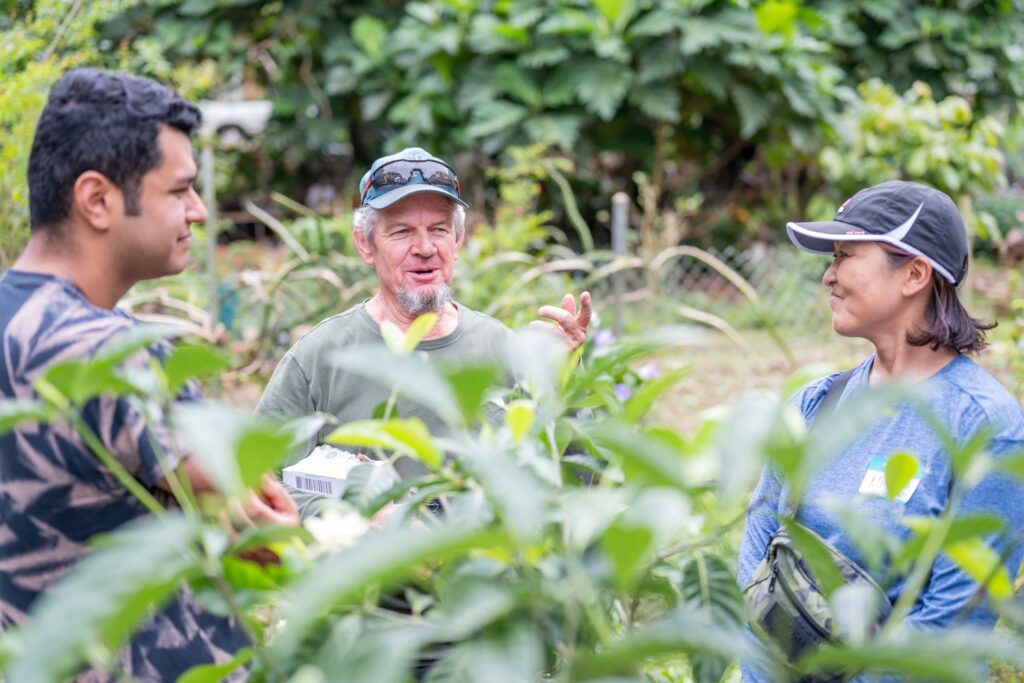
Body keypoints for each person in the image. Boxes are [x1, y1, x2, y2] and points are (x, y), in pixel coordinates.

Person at [0, 69, 298, 681]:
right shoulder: (109, 350)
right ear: (97, 199)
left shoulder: (15, 319)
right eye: (180, 191)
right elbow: (265, 530)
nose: (198, 211)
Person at [738, 180, 1024, 680]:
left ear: (914, 274)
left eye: (846, 255)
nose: (828, 276)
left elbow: (953, 624)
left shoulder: (985, 429)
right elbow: (758, 556)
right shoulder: (815, 404)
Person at [255, 147, 591, 485]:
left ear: (458, 240)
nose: (425, 248)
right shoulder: (319, 358)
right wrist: (360, 513)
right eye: (402, 231)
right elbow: (257, 483)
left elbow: (577, 480)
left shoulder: (503, 349)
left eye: (440, 230)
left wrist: (567, 383)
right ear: (365, 244)